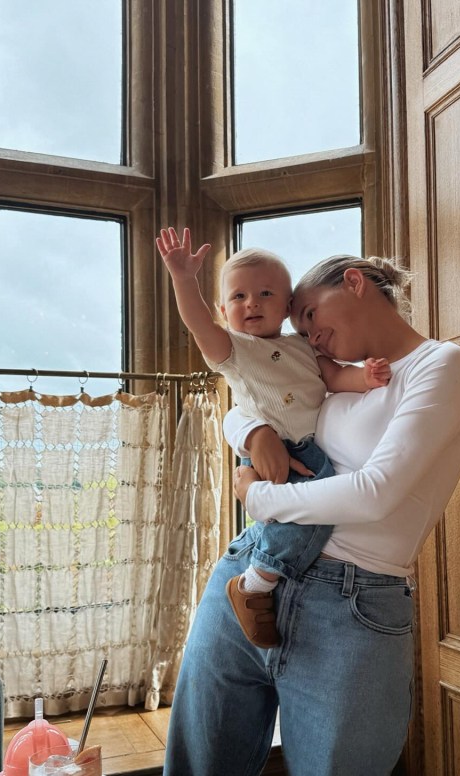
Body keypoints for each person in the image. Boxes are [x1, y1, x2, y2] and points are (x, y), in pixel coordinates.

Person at [156, 251, 460, 776]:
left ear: (355, 285)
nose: (307, 333)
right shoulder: (322, 368)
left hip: (353, 614)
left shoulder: (441, 369)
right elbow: (249, 394)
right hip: (248, 579)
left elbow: (378, 493)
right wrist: (248, 433)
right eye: (299, 323)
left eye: (311, 314)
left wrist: (262, 496)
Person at [156, 227, 390, 648]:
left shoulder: (303, 347)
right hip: (278, 450)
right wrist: (182, 279)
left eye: (266, 294)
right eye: (239, 297)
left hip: (310, 451)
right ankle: (256, 583)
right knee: (303, 520)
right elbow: (197, 324)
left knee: (311, 516)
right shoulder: (234, 350)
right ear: (223, 309)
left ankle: (263, 581)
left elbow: (334, 376)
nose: (251, 303)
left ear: (286, 306)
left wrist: (365, 377)